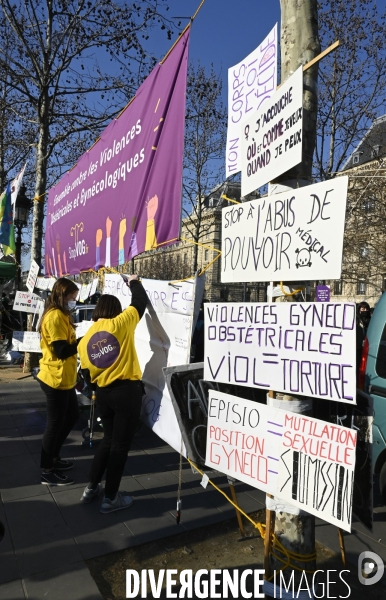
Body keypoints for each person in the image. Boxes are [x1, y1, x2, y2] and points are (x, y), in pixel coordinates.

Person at [78, 274, 148, 514]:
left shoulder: (84, 339)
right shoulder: (121, 323)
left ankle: (91, 487)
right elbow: (140, 302)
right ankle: (110, 498)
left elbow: (87, 375)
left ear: (97, 311)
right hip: (127, 392)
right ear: (116, 310)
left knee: (107, 441)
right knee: (119, 446)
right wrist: (134, 282)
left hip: (103, 395)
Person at [38, 277, 80, 486]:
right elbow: (61, 350)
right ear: (62, 295)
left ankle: (54, 457)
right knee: (54, 424)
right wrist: (82, 343)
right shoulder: (54, 317)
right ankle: (47, 469)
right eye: (72, 297)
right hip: (54, 378)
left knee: (72, 415)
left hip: (65, 378)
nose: (74, 300)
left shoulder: (63, 315)